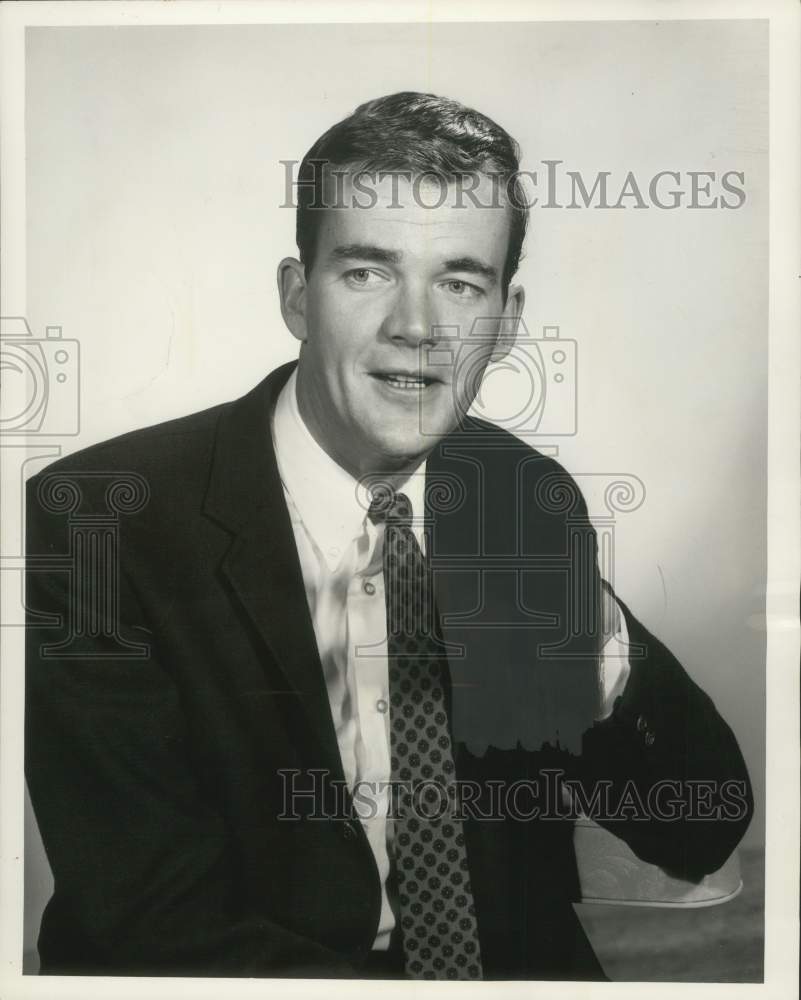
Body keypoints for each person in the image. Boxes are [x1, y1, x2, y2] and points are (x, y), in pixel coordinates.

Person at [25, 91, 753, 980]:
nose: (416, 328)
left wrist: (590, 646)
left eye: (458, 281)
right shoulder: (99, 520)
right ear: (298, 297)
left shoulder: (519, 497)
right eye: (367, 272)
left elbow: (698, 828)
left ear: (507, 318)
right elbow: (151, 923)